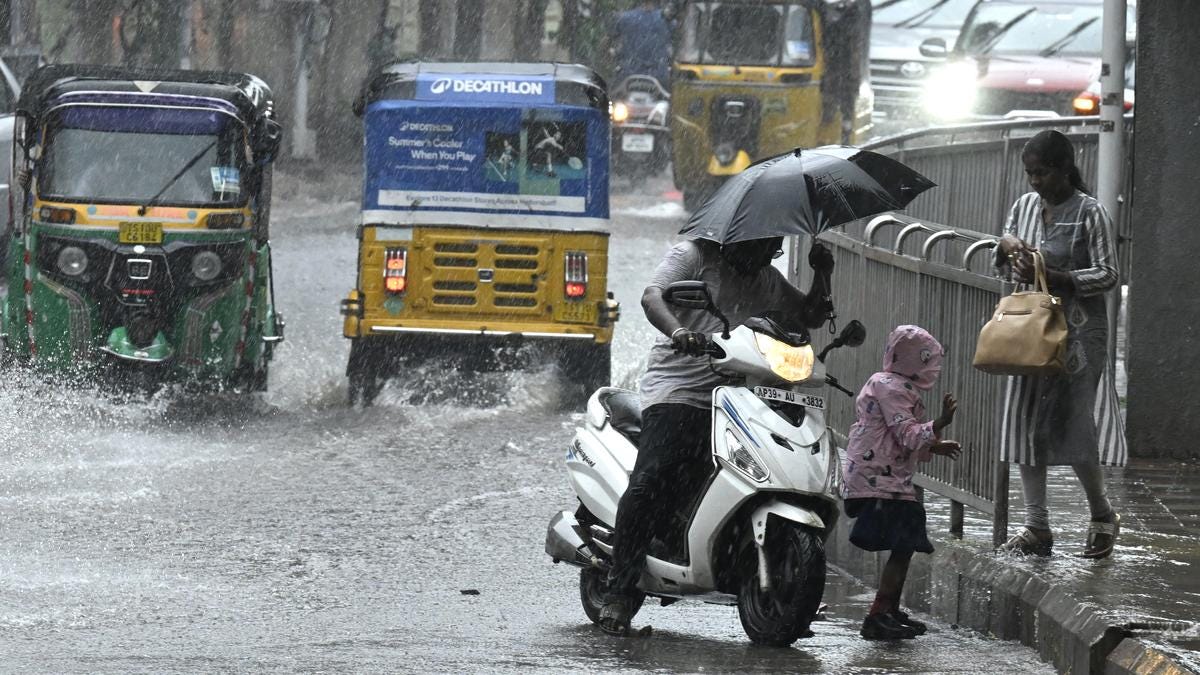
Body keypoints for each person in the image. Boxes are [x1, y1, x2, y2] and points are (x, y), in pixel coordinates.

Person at [598, 235, 835, 636]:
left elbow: (810, 315)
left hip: (744, 395)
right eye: (763, 243)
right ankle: (619, 593)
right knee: (651, 480)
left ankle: (766, 581)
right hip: (680, 389)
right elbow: (652, 297)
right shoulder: (691, 256)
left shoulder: (769, 280)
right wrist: (677, 333)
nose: (767, 252)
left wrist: (823, 272)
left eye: (774, 245)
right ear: (739, 235)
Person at [994, 129, 1126, 559]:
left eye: (1043, 173)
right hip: (1031, 329)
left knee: (1074, 424)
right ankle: (1036, 526)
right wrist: (1008, 246)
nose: (1035, 182)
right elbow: (1007, 251)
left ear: (1064, 168)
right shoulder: (1024, 207)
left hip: (1079, 333)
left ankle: (1102, 515)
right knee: (1028, 420)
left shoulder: (1090, 213)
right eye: (1030, 173)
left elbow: (1108, 273)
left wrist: (1065, 278)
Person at [843, 325, 961, 640]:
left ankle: (888, 609)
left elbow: (898, 435)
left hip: (885, 478)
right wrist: (939, 424)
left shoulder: (893, 385)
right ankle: (878, 614)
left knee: (905, 543)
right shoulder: (890, 388)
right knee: (904, 542)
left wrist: (935, 444)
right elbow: (907, 434)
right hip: (877, 480)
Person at [613, 0, 671, 85]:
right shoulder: (665, 20)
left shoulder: (625, 18)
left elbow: (610, 41)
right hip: (658, 78)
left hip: (628, 76)